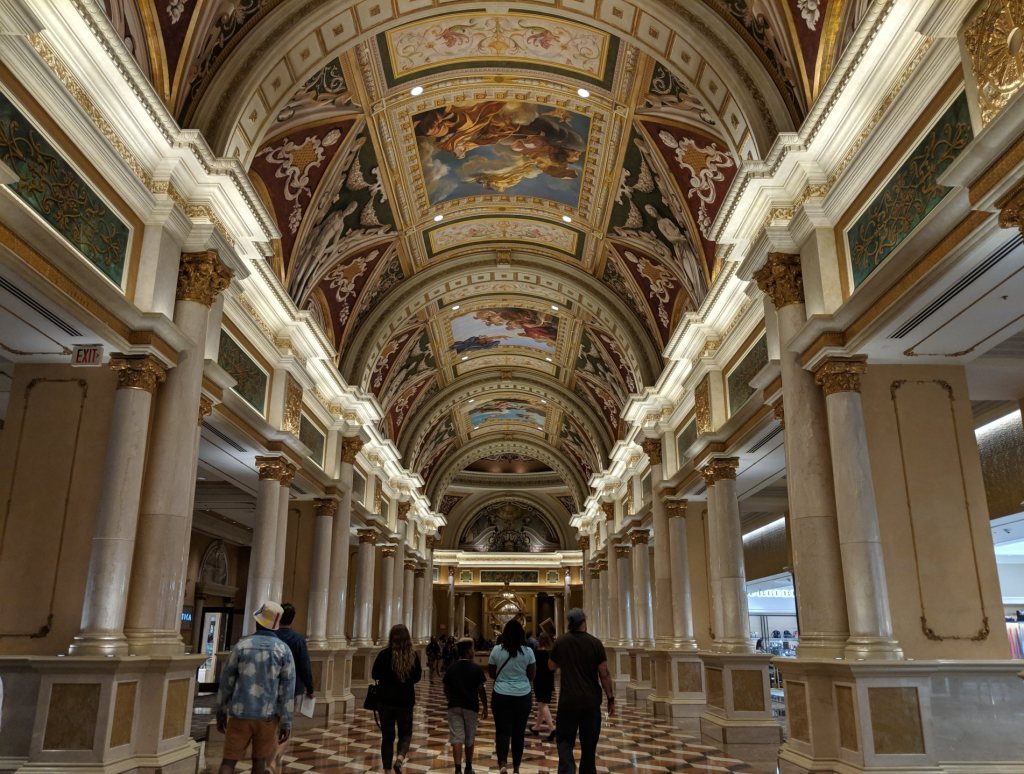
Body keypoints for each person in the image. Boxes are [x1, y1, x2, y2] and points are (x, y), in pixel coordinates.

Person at [216, 601, 296, 774]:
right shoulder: (284, 650)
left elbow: (226, 681)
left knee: (228, 762)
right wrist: (286, 721)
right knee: (259, 763)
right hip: (267, 716)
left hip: (240, 714)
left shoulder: (242, 646)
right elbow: (287, 690)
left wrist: (221, 711)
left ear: (257, 622)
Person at [549, 608, 615, 774]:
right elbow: (604, 674)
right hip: (590, 702)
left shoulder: (561, 642)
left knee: (564, 741)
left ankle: (567, 770)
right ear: (583, 622)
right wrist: (610, 698)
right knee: (589, 746)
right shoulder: (595, 643)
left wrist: (565, 661)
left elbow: (551, 666)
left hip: (568, 701)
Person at [372, 624, 422, 773]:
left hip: (385, 701)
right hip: (405, 701)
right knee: (405, 734)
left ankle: (387, 771)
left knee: (387, 737)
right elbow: (417, 677)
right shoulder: (413, 656)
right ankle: (399, 759)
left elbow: (374, 674)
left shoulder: (384, 654)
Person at [488, 619, 536, 774]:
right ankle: (516, 768)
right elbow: (532, 675)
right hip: (522, 695)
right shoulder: (528, 652)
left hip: (501, 694)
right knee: (518, 733)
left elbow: (491, 673)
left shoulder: (497, 650)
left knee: (502, 731)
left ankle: (502, 764)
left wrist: (505, 677)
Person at [444, 638, 488, 774]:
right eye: (473, 648)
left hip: (454, 706)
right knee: (469, 737)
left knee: (457, 738)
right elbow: (481, 690)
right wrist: (485, 707)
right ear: (468, 651)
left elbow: (446, 688)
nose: (474, 651)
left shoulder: (451, 668)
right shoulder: (476, 669)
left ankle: (457, 769)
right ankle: (468, 767)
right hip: (471, 707)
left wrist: (450, 699)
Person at [529, 632, 556, 741]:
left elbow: (533, 667)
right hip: (549, 680)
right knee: (542, 703)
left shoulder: (536, 653)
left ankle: (552, 728)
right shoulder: (551, 653)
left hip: (539, 680)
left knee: (542, 704)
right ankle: (537, 727)